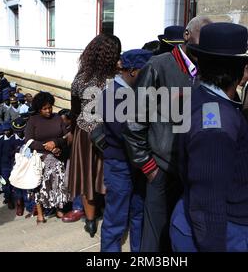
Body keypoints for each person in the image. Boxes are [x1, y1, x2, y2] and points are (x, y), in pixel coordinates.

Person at [170, 22, 248, 252]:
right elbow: (208, 200)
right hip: (221, 234)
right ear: (241, 69)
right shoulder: (216, 120)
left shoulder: (205, 97)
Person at [123, 15, 211, 251]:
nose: (206, 44)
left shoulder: (207, 69)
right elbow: (134, 119)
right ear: (186, 35)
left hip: (192, 169)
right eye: (203, 36)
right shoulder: (158, 65)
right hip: (161, 168)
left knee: (181, 235)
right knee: (155, 236)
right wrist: (148, 165)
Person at [69, 34, 122, 237]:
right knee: (109, 178)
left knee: (86, 178)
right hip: (110, 134)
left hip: (84, 134)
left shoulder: (80, 79)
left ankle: (90, 222)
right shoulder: (117, 81)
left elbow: (75, 111)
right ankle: (112, 220)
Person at [100, 49, 152, 252]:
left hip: (138, 165)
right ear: (131, 71)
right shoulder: (111, 95)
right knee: (116, 220)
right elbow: (126, 133)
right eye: (145, 72)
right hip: (120, 165)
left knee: (138, 215)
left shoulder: (138, 92)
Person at [25, 92, 69, 224]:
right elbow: (29, 141)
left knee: (57, 184)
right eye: (44, 108)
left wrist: (56, 144)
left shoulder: (57, 118)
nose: (48, 111)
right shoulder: (33, 120)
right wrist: (47, 147)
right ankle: (40, 213)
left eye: (50, 107)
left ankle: (58, 209)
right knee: (39, 186)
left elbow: (66, 136)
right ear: (39, 108)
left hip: (57, 158)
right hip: (40, 160)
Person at [58, 109, 85, 223]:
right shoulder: (62, 130)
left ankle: (78, 208)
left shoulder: (74, 131)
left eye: (63, 121)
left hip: (77, 161)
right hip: (67, 160)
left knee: (77, 185)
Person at [11, 117, 33, 217]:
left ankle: (29, 207)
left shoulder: (29, 140)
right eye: (17, 131)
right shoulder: (11, 140)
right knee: (17, 189)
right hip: (15, 168)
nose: (19, 133)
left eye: (21, 131)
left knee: (27, 189)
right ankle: (19, 205)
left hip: (27, 168)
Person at [0, 123, 17, 210]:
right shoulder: (1, 140)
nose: (7, 132)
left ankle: (11, 198)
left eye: (8, 130)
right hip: (4, 165)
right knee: (5, 183)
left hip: (13, 165)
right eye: (5, 130)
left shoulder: (14, 139)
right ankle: (8, 199)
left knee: (12, 183)